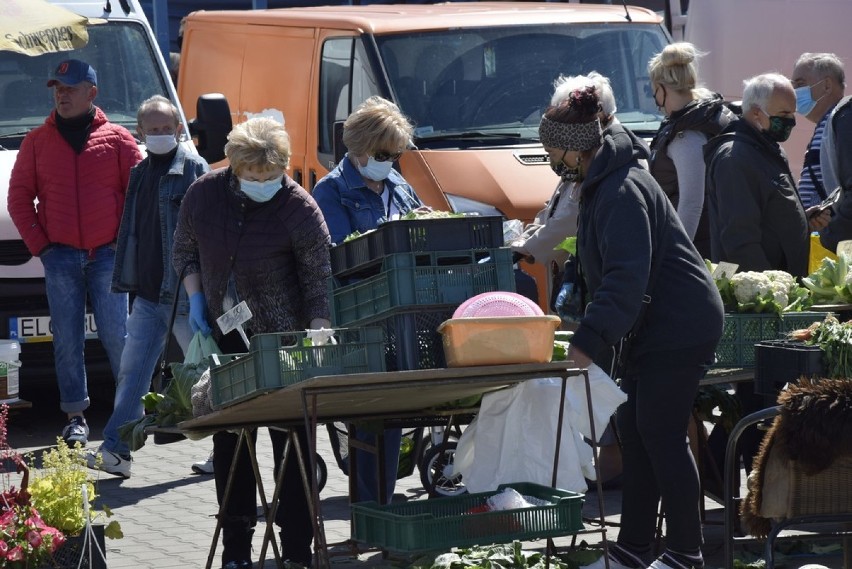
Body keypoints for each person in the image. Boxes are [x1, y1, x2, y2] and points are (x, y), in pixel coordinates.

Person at [547, 86, 724, 569]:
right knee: (634, 426)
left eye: (552, 149)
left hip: (679, 323)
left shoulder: (621, 188)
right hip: (653, 325)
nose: (549, 158)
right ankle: (633, 549)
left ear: (576, 146)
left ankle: (687, 554)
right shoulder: (603, 179)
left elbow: (627, 277)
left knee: (661, 432)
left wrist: (588, 341)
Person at [172, 117, 331, 568]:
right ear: (234, 167)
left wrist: (317, 330)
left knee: (293, 448)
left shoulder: (299, 208)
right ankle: (236, 549)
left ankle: (297, 548)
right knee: (231, 446)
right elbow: (184, 249)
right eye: (253, 177)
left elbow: (318, 278)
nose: (263, 183)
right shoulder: (204, 194)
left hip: (285, 343)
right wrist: (196, 296)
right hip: (225, 340)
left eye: (270, 176)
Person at [7, 59, 141, 446]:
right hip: (60, 256)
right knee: (66, 338)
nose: (61, 94)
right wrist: (42, 247)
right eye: (57, 88)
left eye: (69, 87)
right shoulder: (36, 141)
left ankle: (132, 413)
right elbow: (18, 199)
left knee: (119, 335)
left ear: (91, 93)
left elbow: (138, 198)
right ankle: (75, 417)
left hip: (107, 256)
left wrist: (120, 242)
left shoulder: (118, 139)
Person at [85, 96, 210, 478]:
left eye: (166, 129)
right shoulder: (139, 174)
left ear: (178, 129)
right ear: (140, 132)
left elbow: (207, 233)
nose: (160, 135)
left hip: (185, 299)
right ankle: (116, 451)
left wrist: (203, 293)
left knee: (208, 376)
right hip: (147, 297)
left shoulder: (193, 168)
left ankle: (230, 448)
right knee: (132, 375)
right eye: (152, 130)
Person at [312, 96, 421, 504]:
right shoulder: (332, 191)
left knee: (392, 417)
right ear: (357, 147)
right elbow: (341, 254)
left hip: (402, 317)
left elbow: (416, 225)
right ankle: (368, 508)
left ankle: (383, 502)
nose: (390, 160)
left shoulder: (398, 184)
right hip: (360, 317)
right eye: (382, 153)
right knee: (368, 417)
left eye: (395, 154)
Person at [703, 73, 811, 478]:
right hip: (759, 310)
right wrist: (773, 295)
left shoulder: (761, 148)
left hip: (773, 304)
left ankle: (725, 477)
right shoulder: (735, 157)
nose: (791, 122)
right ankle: (733, 484)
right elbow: (740, 238)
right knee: (756, 403)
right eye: (783, 115)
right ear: (754, 113)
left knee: (759, 401)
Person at [648, 42, 736, 259]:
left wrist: (675, 257)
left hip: (699, 248)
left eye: (653, 92)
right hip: (716, 238)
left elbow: (691, 204)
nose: (656, 100)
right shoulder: (709, 113)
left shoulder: (685, 135)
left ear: (661, 88)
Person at [791, 53, 847, 209]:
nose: (794, 92)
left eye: (800, 84)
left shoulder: (842, 121)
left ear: (827, 86)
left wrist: (835, 228)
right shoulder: (827, 124)